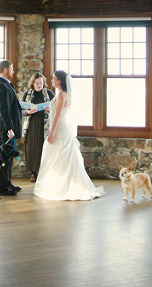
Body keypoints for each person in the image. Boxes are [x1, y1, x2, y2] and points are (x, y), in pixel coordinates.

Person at [33, 70, 105, 201]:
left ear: (59, 81)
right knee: (58, 156)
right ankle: (59, 183)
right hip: (63, 127)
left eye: (54, 78)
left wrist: (51, 132)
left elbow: (58, 115)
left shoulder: (61, 94)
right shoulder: (62, 94)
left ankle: (63, 187)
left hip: (61, 128)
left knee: (59, 156)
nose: (52, 80)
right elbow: (57, 110)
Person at [0, 59, 23, 196]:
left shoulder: (6, 84)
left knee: (8, 158)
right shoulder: (0, 85)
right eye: (11, 68)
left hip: (8, 128)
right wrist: (9, 129)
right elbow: (3, 109)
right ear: (5, 69)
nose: (13, 71)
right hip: (3, 129)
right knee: (2, 158)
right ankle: (0, 187)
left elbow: (12, 107)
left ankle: (7, 183)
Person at [21, 73, 54, 182]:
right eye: (37, 83)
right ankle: (33, 173)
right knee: (32, 148)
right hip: (31, 124)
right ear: (33, 83)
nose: (39, 85)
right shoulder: (28, 94)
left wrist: (50, 109)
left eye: (41, 82)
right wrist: (28, 111)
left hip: (45, 124)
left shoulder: (49, 93)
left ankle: (44, 172)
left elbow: (57, 107)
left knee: (43, 147)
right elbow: (21, 110)